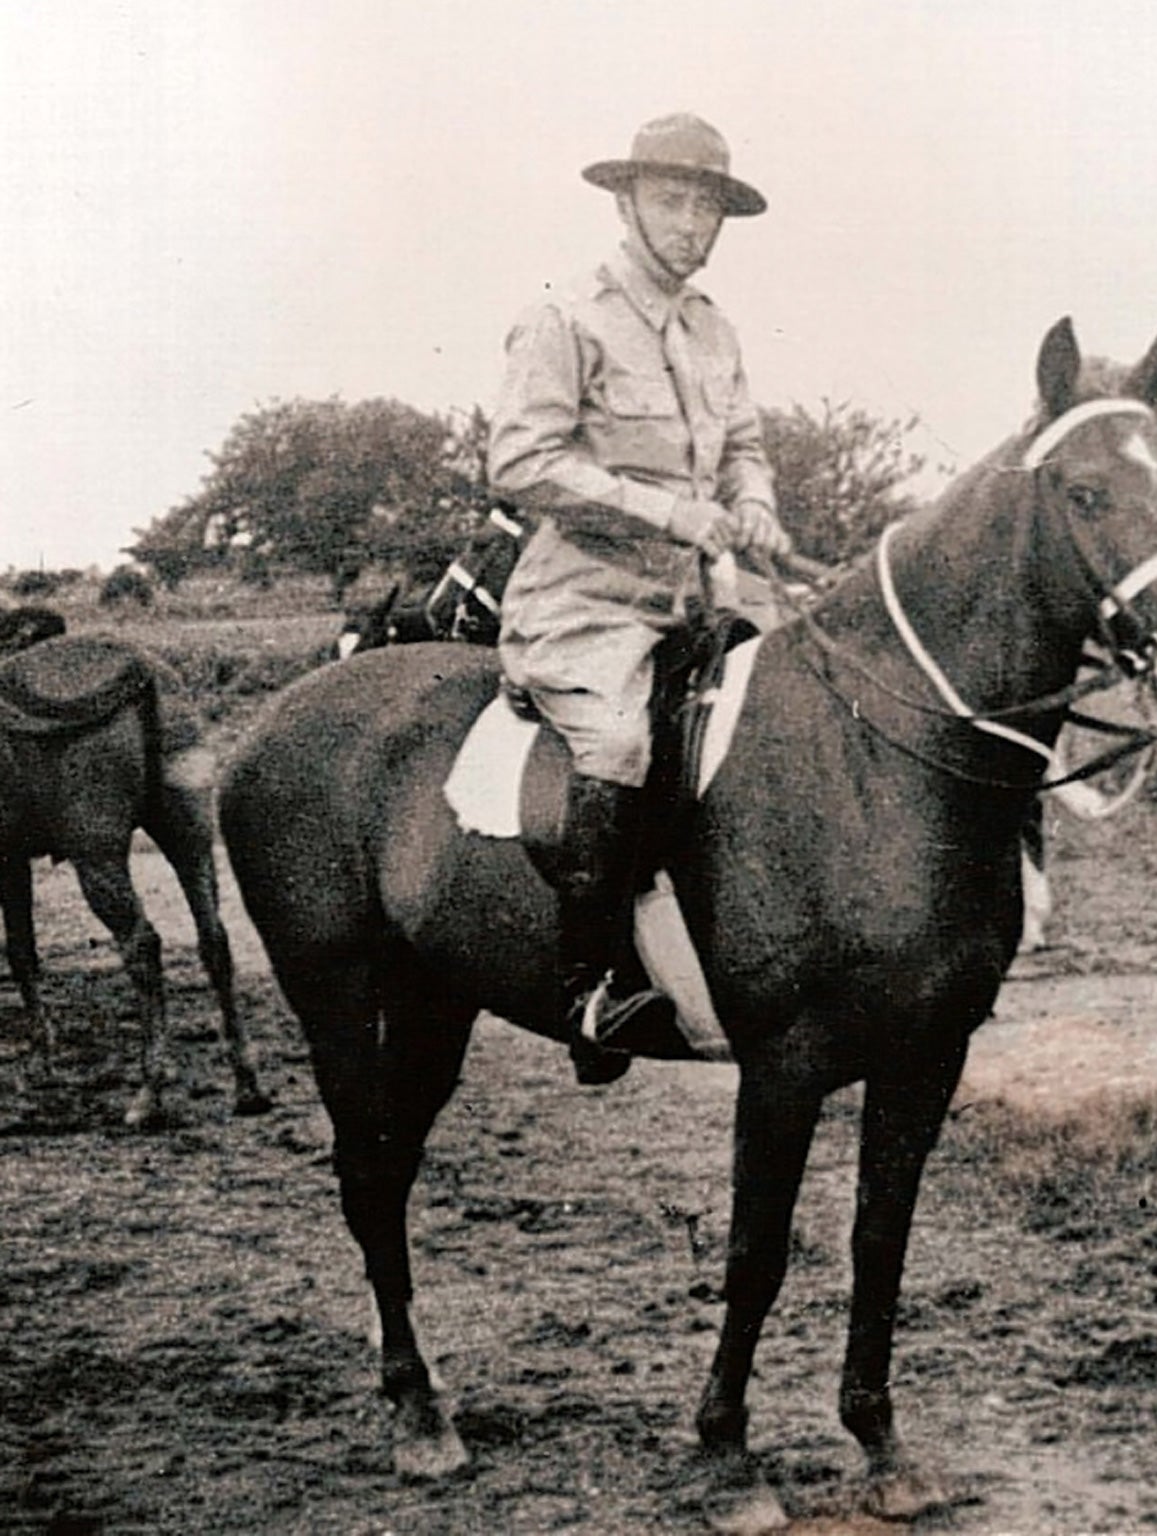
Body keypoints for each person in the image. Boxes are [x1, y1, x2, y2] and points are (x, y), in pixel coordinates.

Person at [488, 111, 792, 1082]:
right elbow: (521, 461)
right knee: (619, 742)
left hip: (697, 605)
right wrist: (669, 514)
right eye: (671, 199)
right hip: (585, 605)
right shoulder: (565, 315)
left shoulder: (715, 332)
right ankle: (588, 988)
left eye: (708, 206)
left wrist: (752, 506)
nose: (692, 223)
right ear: (624, 201)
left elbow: (742, 449)